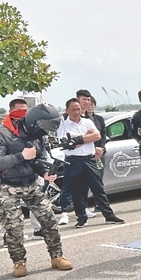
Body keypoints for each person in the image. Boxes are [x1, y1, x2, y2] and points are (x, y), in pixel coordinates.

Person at [0, 103, 73, 277]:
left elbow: (39, 158)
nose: (44, 133)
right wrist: (20, 156)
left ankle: (57, 256)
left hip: (30, 182)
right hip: (7, 184)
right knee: (14, 226)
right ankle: (19, 263)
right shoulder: (2, 134)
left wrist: (44, 172)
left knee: (49, 219)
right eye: (43, 129)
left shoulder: (39, 135)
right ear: (34, 123)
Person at [56, 98, 125, 228]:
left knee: (98, 188)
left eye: (78, 109)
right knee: (77, 191)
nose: (77, 112)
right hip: (73, 161)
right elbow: (67, 144)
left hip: (89, 159)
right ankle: (81, 217)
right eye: (73, 110)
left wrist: (78, 139)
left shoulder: (87, 122)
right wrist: (86, 137)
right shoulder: (63, 125)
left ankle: (109, 215)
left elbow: (97, 136)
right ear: (67, 110)